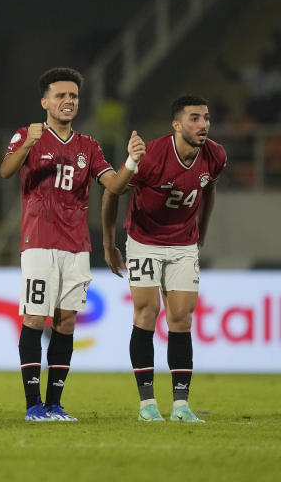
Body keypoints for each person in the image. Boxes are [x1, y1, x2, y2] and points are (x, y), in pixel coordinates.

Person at [0, 66, 144, 422]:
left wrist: (132, 161)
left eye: (73, 96)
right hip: (39, 242)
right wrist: (30, 143)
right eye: (61, 95)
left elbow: (115, 185)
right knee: (35, 318)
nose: (68, 101)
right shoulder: (27, 135)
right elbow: (5, 171)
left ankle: (54, 404)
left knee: (65, 323)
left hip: (77, 246)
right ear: (45, 101)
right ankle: (33, 404)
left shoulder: (88, 146)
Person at [102, 95, 225, 423]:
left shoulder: (215, 155)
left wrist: (202, 229)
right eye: (195, 119)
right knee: (146, 312)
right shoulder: (152, 155)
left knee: (182, 319)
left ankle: (182, 405)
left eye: (206, 118)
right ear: (176, 125)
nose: (203, 125)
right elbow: (112, 191)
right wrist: (107, 242)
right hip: (144, 241)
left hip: (184, 244)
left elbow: (209, 189)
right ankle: (147, 405)